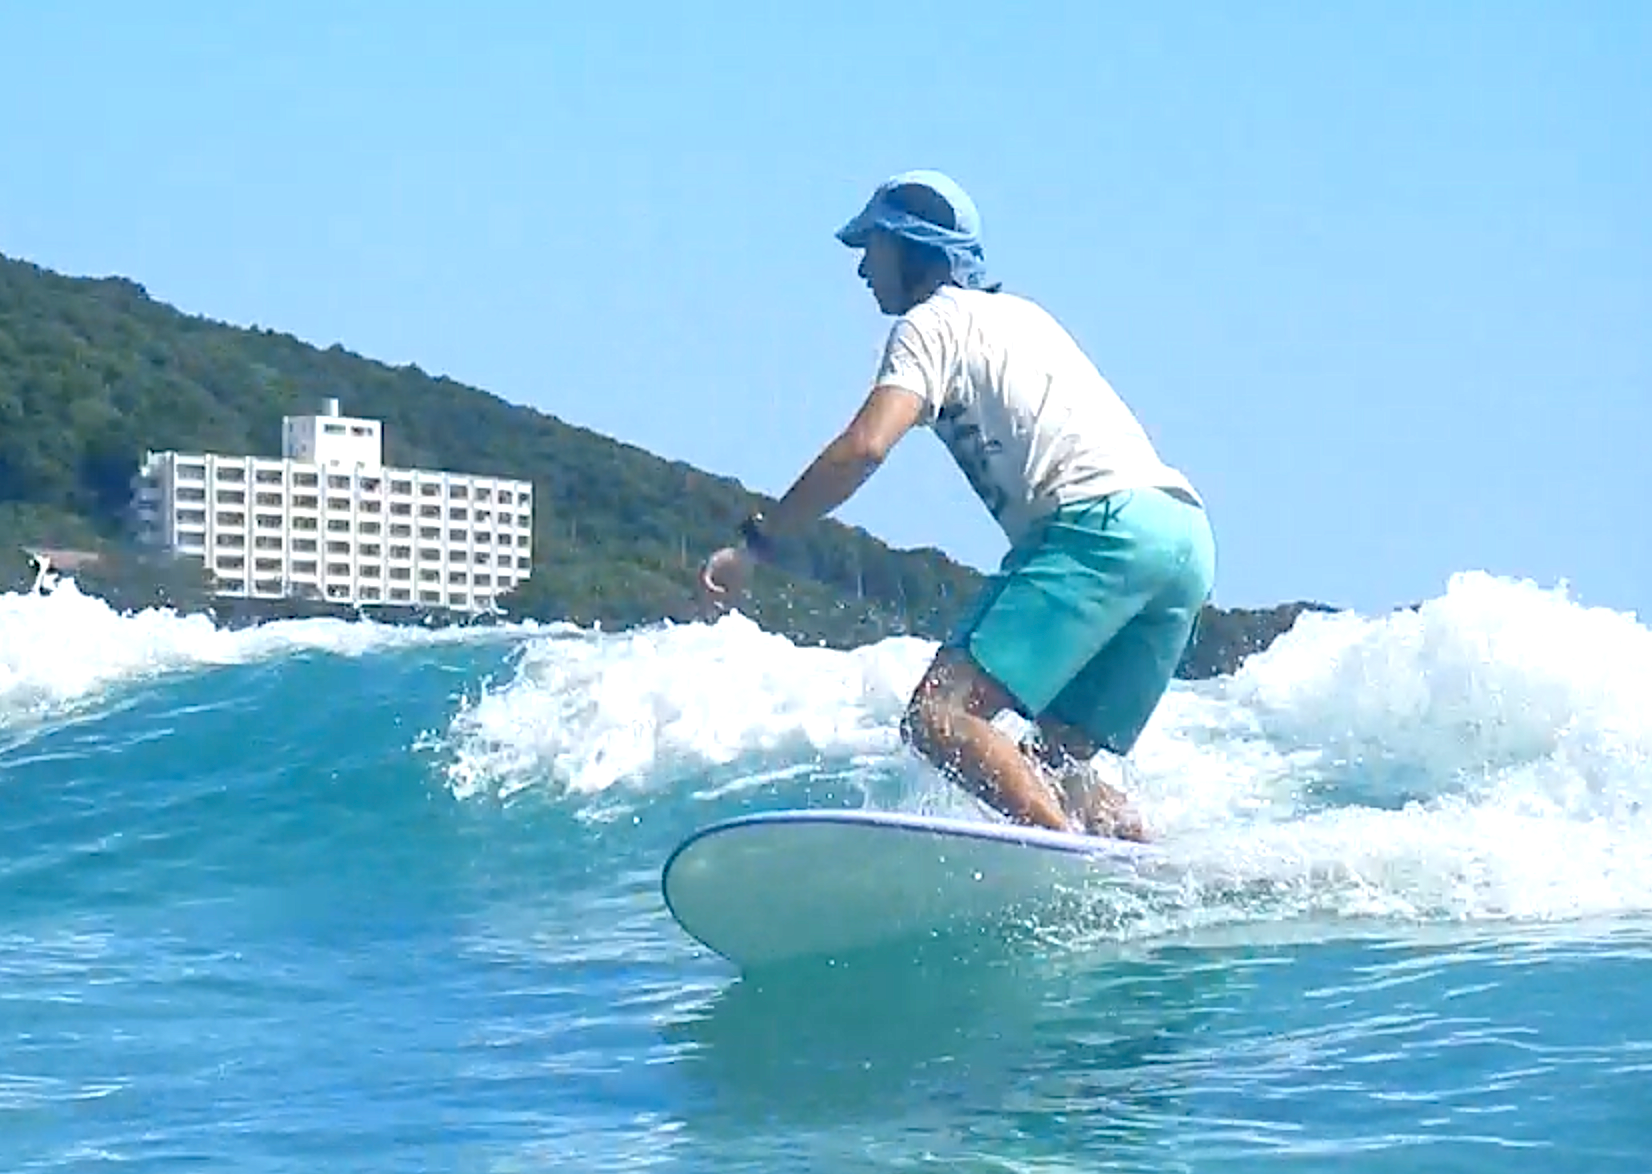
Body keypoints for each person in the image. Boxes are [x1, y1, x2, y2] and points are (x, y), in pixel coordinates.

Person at [697, 169, 1216, 840]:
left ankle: (1064, 863)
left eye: (873, 246)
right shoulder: (1025, 316)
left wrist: (758, 542)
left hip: (1098, 530)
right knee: (1057, 765)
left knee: (939, 717)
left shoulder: (930, 323)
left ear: (912, 247)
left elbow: (864, 447)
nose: (862, 269)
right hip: (1182, 535)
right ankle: (1148, 872)